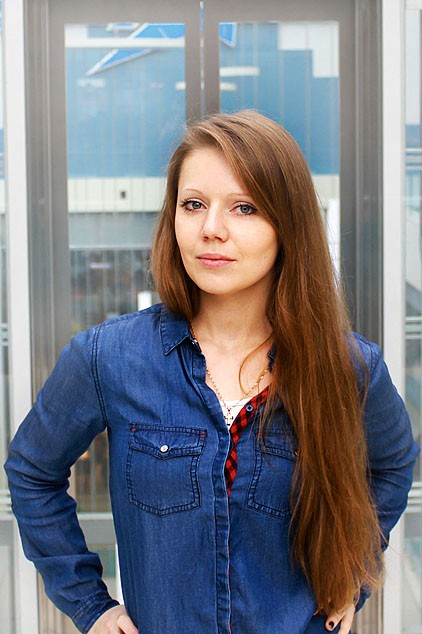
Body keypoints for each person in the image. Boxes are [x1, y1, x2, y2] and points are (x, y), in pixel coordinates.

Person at [5, 111, 419, 634]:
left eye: (244, 208)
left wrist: (353, 574)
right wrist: (92, 606)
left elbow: (392, 466)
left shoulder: (349, 366)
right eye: (193, 204)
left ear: (287, 224)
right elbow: (32, 472)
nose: (211, 229)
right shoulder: (106, 357)